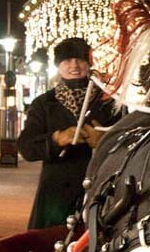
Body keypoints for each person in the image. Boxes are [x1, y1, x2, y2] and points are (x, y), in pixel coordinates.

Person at [18, 37, 118, 229]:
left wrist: (103, 141)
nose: (74, 65)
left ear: (89, 64)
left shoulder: (108, 102)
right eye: (67, 60)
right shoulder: (44, 104)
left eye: (80, 60)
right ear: (58, 66)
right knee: (49, 250)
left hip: (99, 191)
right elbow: (26, 147)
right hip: (55, 194)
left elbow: (129, 140)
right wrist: (57, 139)